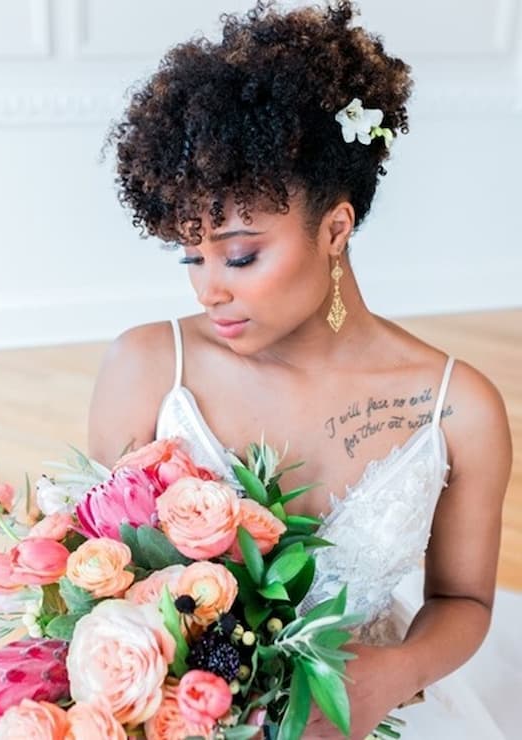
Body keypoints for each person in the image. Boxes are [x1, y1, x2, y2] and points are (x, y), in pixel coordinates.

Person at [88, 1, 518, 737]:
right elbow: (99, 571)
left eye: (242, 254)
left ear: (336, 228)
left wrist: (391, 675)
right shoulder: (152, 368)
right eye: (193, 254)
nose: (208, 288)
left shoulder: (459, 408)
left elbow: (464, 604)